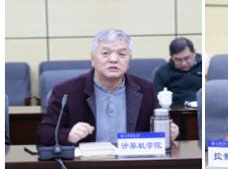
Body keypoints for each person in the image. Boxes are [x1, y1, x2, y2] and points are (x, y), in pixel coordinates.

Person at [35, 29, 180, 147]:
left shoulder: (145, 90)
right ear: (93, 58)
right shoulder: (67, 92)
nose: (114, 59)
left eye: (122, 54)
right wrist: (68, 135)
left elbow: (153, 132)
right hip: (84, 166)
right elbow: (43, 133)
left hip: (132, 164)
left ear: (129, 59)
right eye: (105, 53)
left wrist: (168, 132)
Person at [153, 38, 202, 104]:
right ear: (172, 57)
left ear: (194, 53)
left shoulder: (203, 67)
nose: (183, 63)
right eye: (178, 60)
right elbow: (156, 97)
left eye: (187, 58)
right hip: (175, 107)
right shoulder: (163, 72)